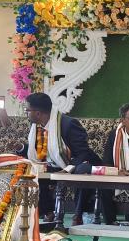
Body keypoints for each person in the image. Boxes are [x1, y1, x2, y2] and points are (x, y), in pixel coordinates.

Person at [17, 93, 101, 225]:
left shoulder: (68, 124)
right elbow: (38, 151)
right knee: (31, 171)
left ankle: (78, 215)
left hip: (74, 163)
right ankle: (48, 212)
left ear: (38, 113)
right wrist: (21, 148)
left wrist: (67, 170)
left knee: (81, 172)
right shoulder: (36, 126)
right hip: (54, 164)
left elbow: (83, 153)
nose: (26, 113)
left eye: (27, 110)